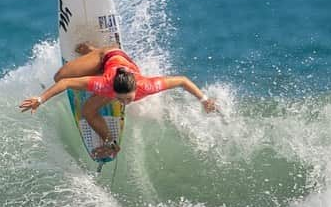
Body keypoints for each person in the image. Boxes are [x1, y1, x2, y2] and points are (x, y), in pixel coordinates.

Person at [19, 43, 216, 158]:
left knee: (88, 110)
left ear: (135, 91)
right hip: (107, 56)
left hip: (120, 62)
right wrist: (40, 98)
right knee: (59, 77)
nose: (124, 103)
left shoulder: (147, 86)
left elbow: (182, 80)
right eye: (120, 99)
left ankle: (111, 144)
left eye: (127, 99)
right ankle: (92, 51)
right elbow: (67, 83)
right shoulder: (105, 84)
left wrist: (204, 99)